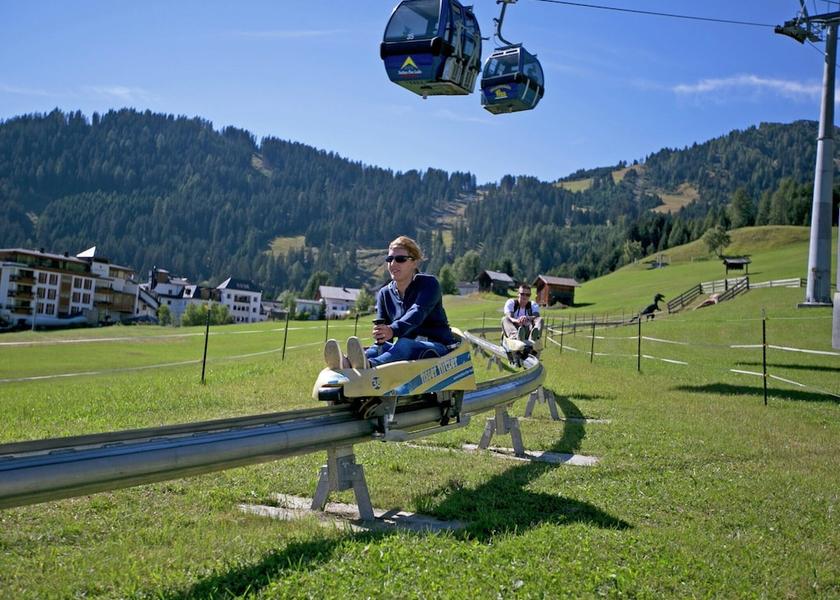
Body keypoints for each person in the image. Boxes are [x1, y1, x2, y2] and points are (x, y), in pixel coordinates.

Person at [332, 235, 457, 369]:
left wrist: (392, 330)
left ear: (414, 262)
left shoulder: (428, 284)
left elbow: (417, 312)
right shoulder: (384, 293)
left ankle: (370, 366)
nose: (393, 264)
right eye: (389, 259)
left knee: (404, 344)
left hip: (439, 348)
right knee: (380, 347)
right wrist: (381, 335)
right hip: (408, 348)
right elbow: (386, 336)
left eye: (400, 259)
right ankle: (345, 363)